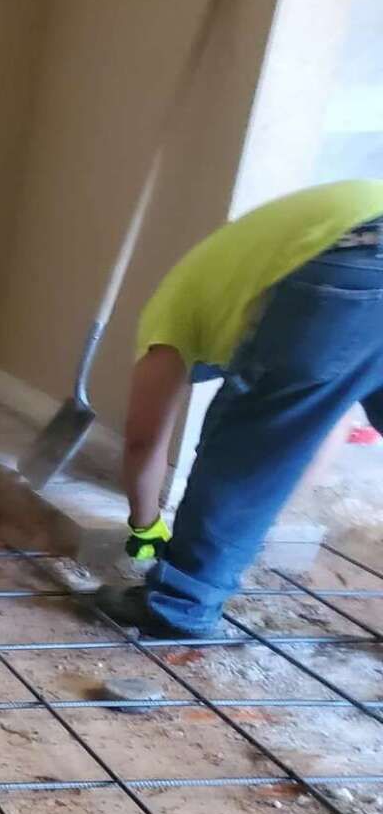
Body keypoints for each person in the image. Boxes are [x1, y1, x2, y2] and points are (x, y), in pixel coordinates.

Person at [95, 178, 383, 639]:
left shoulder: (168, 323)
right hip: (356, 241)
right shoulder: (232, 289)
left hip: (354, 252)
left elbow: (143, 440)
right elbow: (322, 424)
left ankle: (179, 604)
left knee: (243, 449)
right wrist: (259, 519)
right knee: (284, 426)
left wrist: (145, 524)